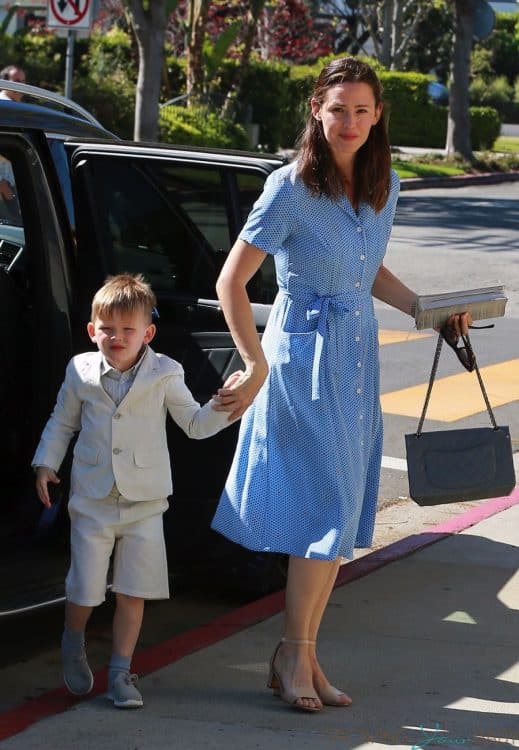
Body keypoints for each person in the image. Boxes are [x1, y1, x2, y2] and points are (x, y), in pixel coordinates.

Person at [210, 57, 471, 713]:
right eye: (337, 110)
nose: (349, 122)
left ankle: (299, 652)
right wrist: (254, 361)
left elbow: (368, 267)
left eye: (361, 110)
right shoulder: (289, 188)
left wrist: (425, 311)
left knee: (337, 513)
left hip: (356, 359)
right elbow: (230, 282)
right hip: (300, 363)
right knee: (321, 510)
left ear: (378, 115)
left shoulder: (385, 186)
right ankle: (294, 654)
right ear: (315, 112)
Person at [32, 273, 237, 709]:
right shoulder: (80, 370)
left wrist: (225, 407)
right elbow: (62, 422)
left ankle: (122, 672)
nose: (117, 337)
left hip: (145, 502)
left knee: (133, 590)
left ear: (148, 333)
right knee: (85, 589)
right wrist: (46, 463)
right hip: (92, 498)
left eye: (128, 330)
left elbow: (195, 425)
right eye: (107, 329)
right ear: (92, 331)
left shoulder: (165, 372)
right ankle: (74, 639)